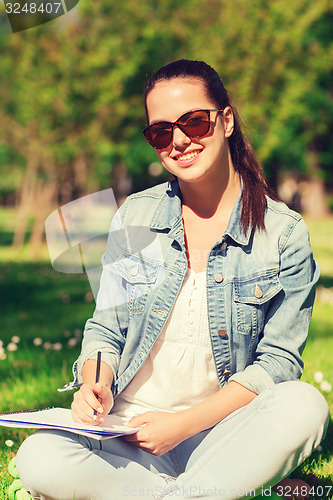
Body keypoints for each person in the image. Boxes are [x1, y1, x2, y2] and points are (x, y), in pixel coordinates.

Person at [16, 59, 329, 500]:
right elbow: (107, 329)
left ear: (225, 121)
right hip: (128, 436)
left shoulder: (282, 231)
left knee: (305, 404)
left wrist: (181, 425)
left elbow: (278, 362)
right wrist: (95, 380)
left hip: (222, 436)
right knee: (38, 457)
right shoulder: (138, 217)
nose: (179, 140)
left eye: (194, 122)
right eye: (161, 131)